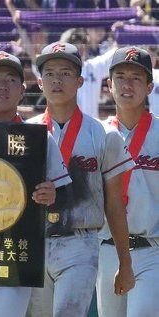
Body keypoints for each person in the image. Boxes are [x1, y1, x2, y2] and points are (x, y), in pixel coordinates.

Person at [0, 51, 72, 317]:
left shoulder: (39, 138)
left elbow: (64, 196)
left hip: (15, 255)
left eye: (11, 79)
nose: (3, 85)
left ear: (22, 90)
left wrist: (52, 195)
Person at [26, 42, 135, 317]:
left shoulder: (104, 134)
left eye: (65, 72)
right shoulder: (25, 133)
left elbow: (114, 205)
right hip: (33, 242)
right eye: (49, 73)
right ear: (39, 82)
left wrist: (125, 262)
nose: (57, 80)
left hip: (81, 242)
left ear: (80, 81)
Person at [97, 46, 159, 317]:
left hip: (151, 249)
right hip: (107, 250)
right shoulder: (96, 134)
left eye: (136, 77)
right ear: (109, 85)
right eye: (120, 76)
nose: (127, 84)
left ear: (149, 86)